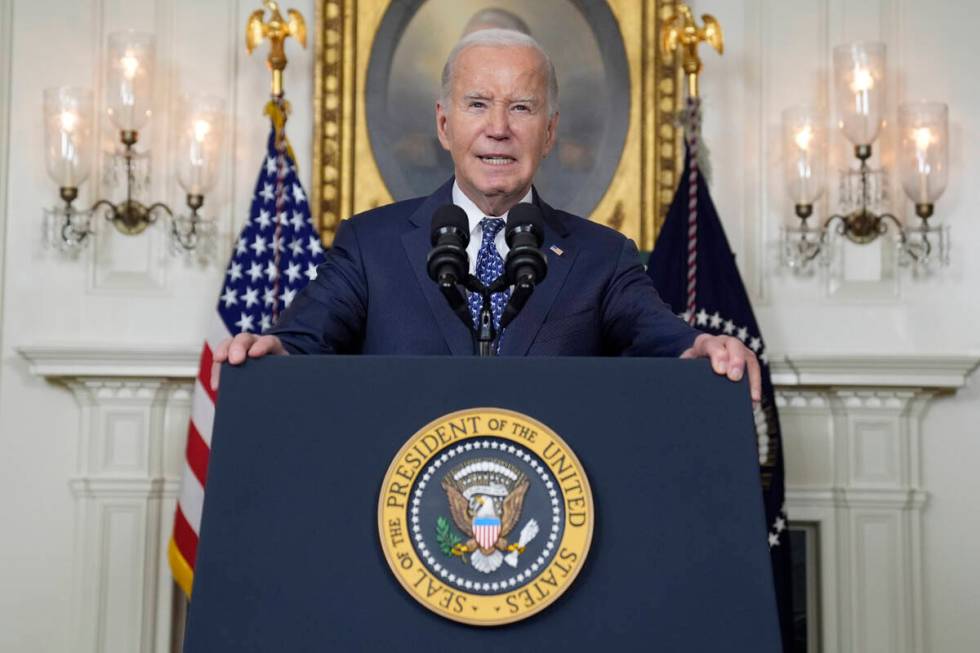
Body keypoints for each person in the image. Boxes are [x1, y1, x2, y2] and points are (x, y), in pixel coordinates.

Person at [214, 28, 761, 401]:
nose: (498, 127)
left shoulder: (603, 257)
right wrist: (273, 351)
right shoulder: (368, 244)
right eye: (477, 104)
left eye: (521, 107)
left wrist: (701, 347)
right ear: (445, 125)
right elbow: (305, 338)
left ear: (548, 132)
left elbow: (662, 337)